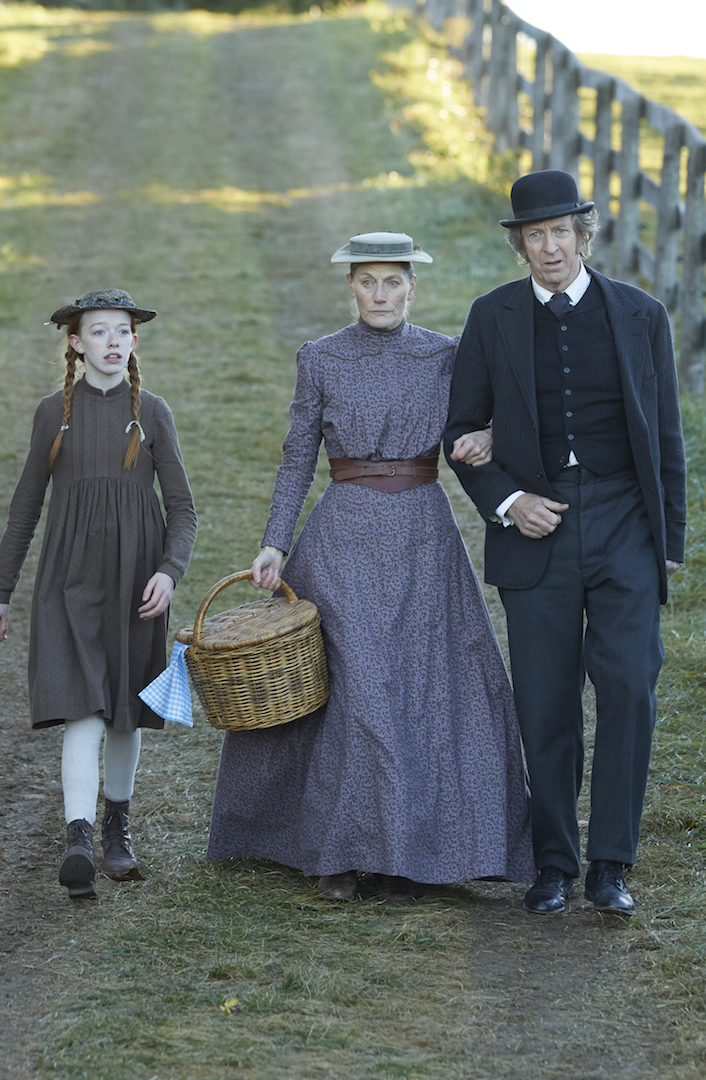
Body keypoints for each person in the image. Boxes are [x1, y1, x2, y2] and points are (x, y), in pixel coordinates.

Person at [207, 232, 534, 903]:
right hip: (344, 534)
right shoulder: (320, 358)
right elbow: (299, 453)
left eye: (394, 282)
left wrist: (493, 437)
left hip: (422, 532)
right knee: (352, 688)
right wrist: (274, 540)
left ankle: (411, 850)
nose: (381, 294)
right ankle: (337, 849)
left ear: (414, 287)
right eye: (368, 282)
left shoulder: (446, 355)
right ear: (350, 286)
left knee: (424, 685)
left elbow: (498, 422)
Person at [443, 171, 686, 917]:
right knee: (543, 704)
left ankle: (611, 864)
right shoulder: (492, 318)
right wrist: (510, 503)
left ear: (584, 238)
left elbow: (667, 434)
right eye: (534, 236)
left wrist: (668, 539)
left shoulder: (641, 316)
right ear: (520, 245)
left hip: (624, 526)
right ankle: (553, 862)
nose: (548, 248)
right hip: (537, 532)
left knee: (628, 691)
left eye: (560, 234)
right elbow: (458, 433)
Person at [0, 289, 197, 901]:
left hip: (136, 582)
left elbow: (182, 510)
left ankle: (116, 829)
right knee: (82, 706)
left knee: (124, 711)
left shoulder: (152, 413)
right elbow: (26, 508)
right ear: (75, 343)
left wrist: (169, 571)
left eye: (122, 331)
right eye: (98, 332)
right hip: (68, 579)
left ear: (133, 342)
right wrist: (1, 592)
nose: (111, 342)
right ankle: (77, 837)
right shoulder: (55, 413)